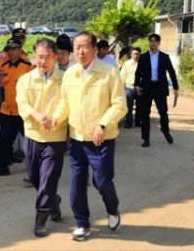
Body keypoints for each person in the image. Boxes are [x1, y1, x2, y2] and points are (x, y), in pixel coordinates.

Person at [49, 31, 126, 241]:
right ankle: (82, 224)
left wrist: (103, 124)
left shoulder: (109, 73)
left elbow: (120, 104)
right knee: (76, 186)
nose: (80, 51)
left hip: (101, 139)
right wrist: (56, 119)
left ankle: (113, 208)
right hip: (76, 139)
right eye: (77, 47)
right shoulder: (70, 74)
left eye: (84, 47)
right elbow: (64, 103)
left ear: (93, 48)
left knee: (102, 182)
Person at [17, 38, 67, 237]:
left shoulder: (65, 79)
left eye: (47, 57)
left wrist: (54, 119)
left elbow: (66, 103)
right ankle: (54, 201)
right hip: (32, 134)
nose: (43, 61)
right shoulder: (25, 80)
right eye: (39, 57)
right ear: (33, 57)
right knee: (34, 177)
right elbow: (22, 103)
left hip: (55, 136)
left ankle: (41, 217)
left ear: (55, 57)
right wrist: (38, 116)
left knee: (47, 179)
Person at [0, 38, 34, 176]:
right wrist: (0, 101)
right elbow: (2, 88)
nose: (11, 52)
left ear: (20, 50)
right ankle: (2, 166)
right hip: (7, 110)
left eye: (14, 49)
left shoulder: (28, 68)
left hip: (23, 111)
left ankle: (35, 168)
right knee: (5, 139)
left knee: (31, 140)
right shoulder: (4, 67)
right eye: (9, 49)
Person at [134, 33, 179, 148]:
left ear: (159, 43)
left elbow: (172, 72)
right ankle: (146, 139)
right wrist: (137, 85)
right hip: (147, 88)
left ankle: (165, 131)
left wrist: (175, 87)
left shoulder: (164, 57)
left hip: (160, 88)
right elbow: (138, 73)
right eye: (151, 41)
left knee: (163, 112)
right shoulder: (143, 57)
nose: (152, 43)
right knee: (145, 114)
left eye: (155, 41)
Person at [120, 47, 142, 128]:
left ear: (140, 54)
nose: (136, 55)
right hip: (129, 87)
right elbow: (122, 76)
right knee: (129, 106)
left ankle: (138, 122)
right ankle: (128, 122)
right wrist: (122, 88)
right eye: (134, 54)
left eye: (137, 54)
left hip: (140, 88)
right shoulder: (126, 64)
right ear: (131, 54)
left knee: (140, 106)